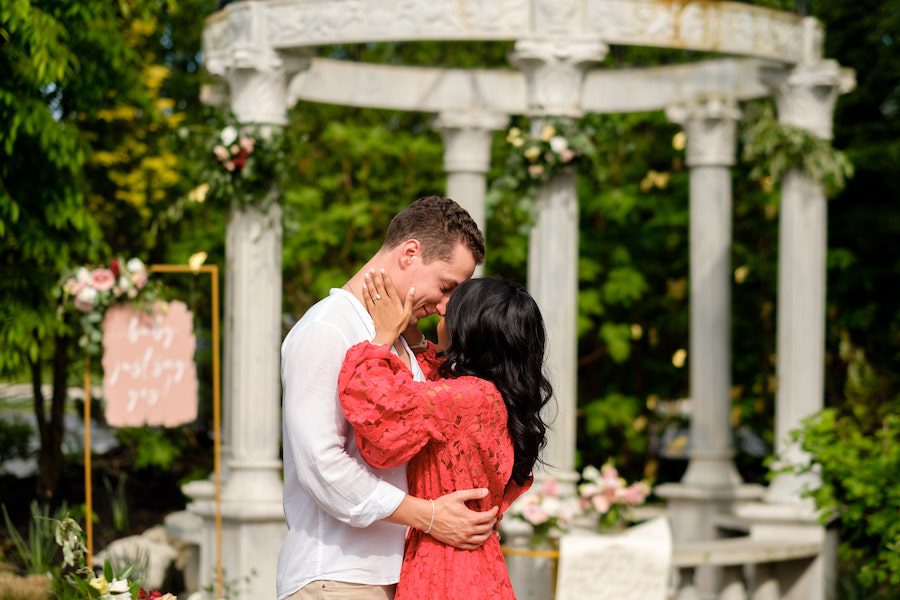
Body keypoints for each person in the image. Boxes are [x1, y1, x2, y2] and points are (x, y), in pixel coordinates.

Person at [277, 196, 500, 600]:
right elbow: (321, 465)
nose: (448, 305)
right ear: (410, 253)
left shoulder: (394, 337)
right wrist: (428, 516)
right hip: (335, 576)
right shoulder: (328, 328)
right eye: (446, 286)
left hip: (389, 576)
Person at [338, 271, 552, 600]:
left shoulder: (468, 397)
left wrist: (382, 337)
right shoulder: (493, 396)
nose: (440, 311)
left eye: (451, 312)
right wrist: (413, 336)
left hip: (445, 569)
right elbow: (433, 383)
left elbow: (380, 407)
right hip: (480, 565)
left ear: (469, 330)